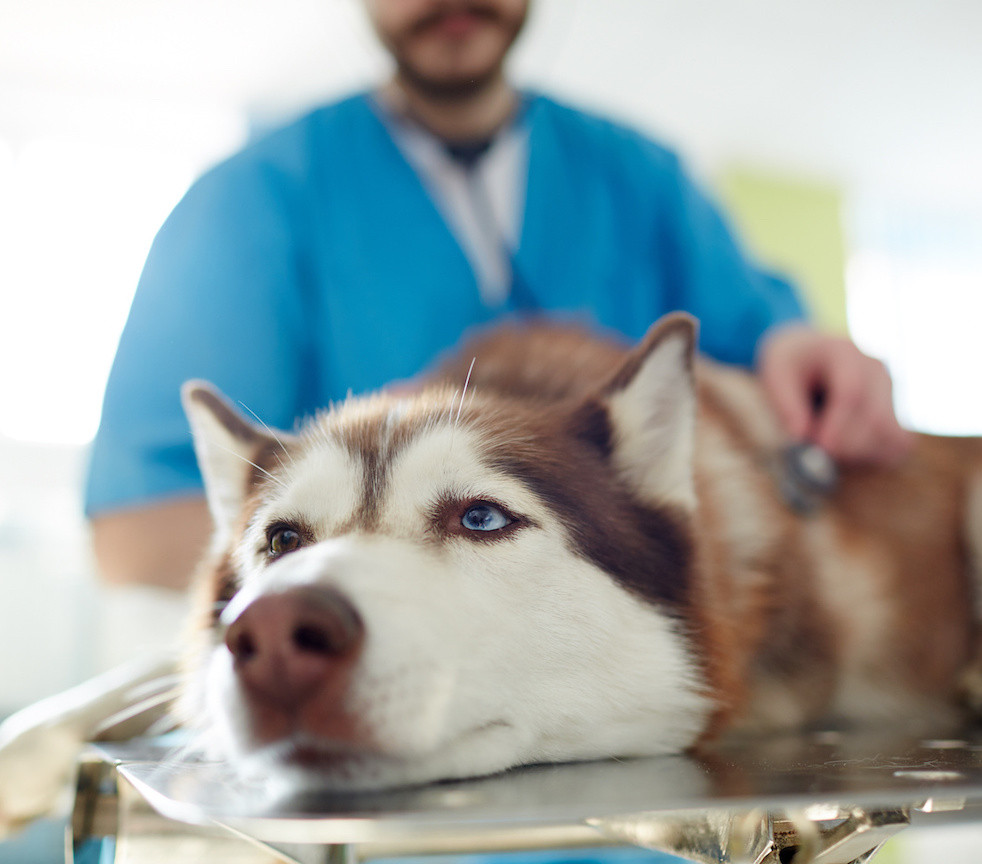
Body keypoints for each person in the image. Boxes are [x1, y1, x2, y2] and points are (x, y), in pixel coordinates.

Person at [87, 0, 911, 592]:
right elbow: (132, 535)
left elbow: (761, 357)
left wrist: (801, 359)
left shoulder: (644, 181)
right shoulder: (249, 203)